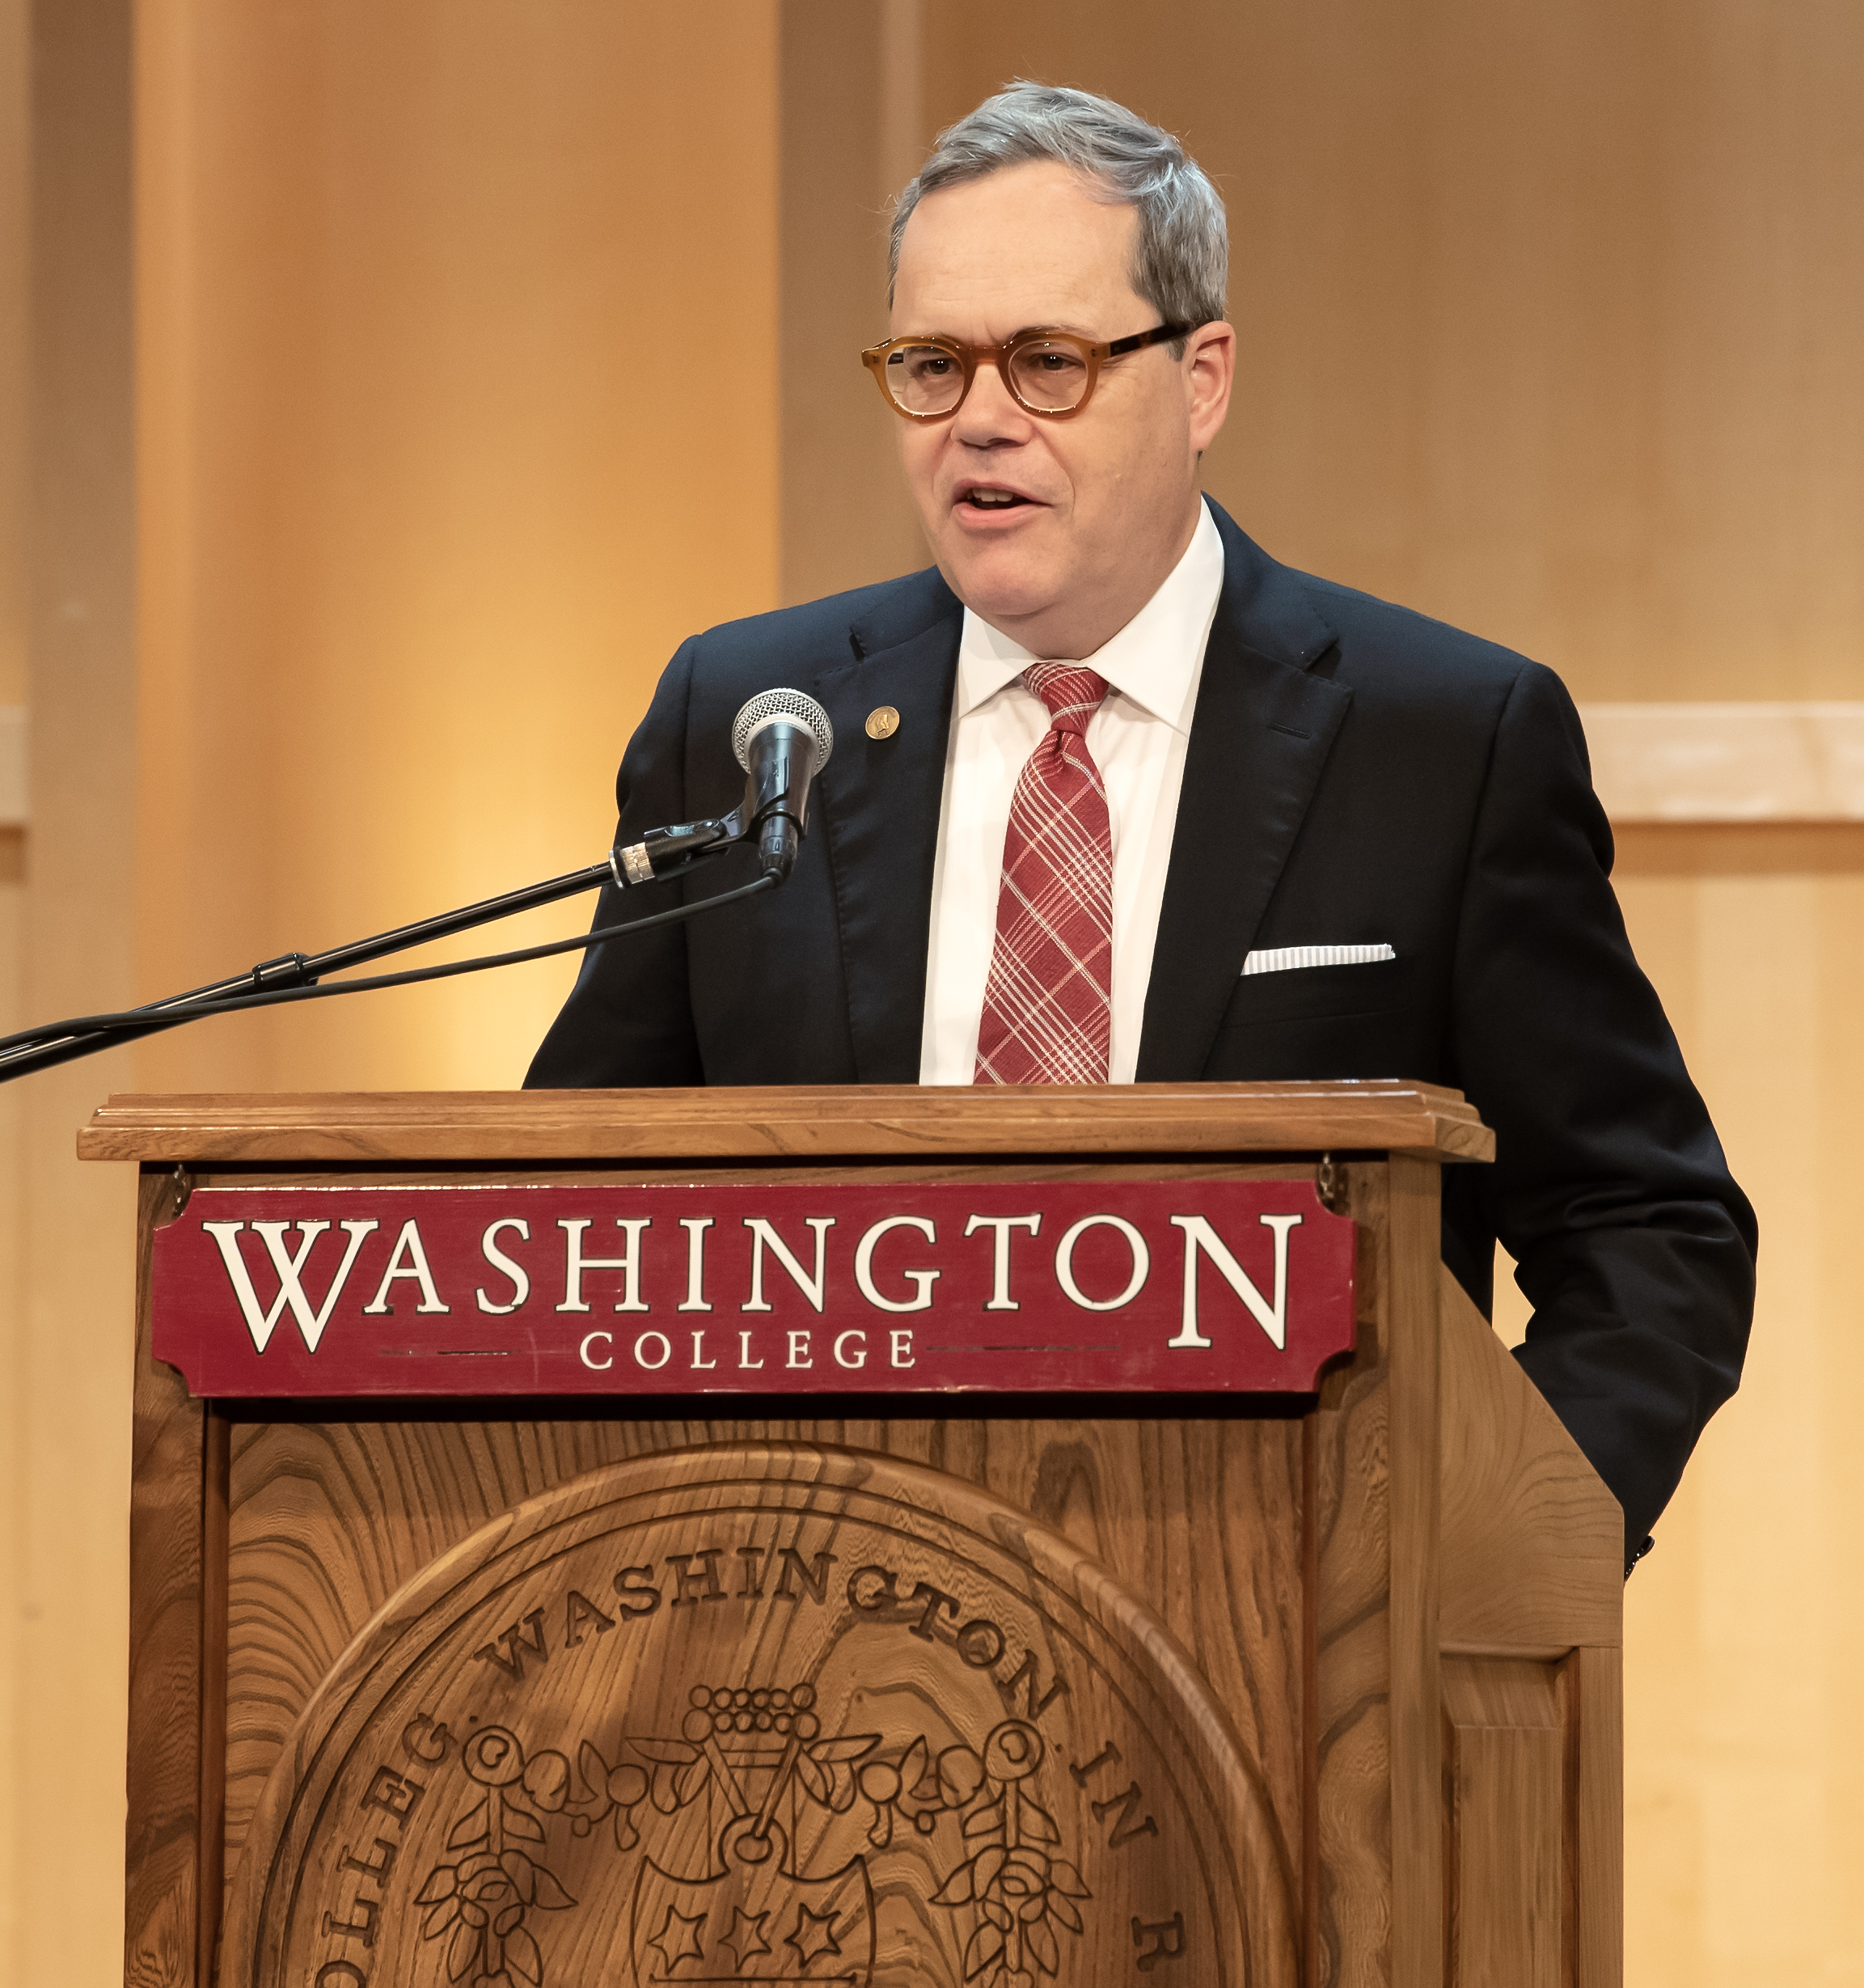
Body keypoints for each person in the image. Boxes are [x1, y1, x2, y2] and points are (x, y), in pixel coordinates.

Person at [531, 81, 1755, 1557]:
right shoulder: (750, 722)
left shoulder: (1439, 739)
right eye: (930, 364)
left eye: (1047, 361)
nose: (977, 419)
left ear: (1202, 378)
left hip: (1283, 1631)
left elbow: (1644, 1230)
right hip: (807, 1616)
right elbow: (573, 1216)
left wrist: (1492, 1552)